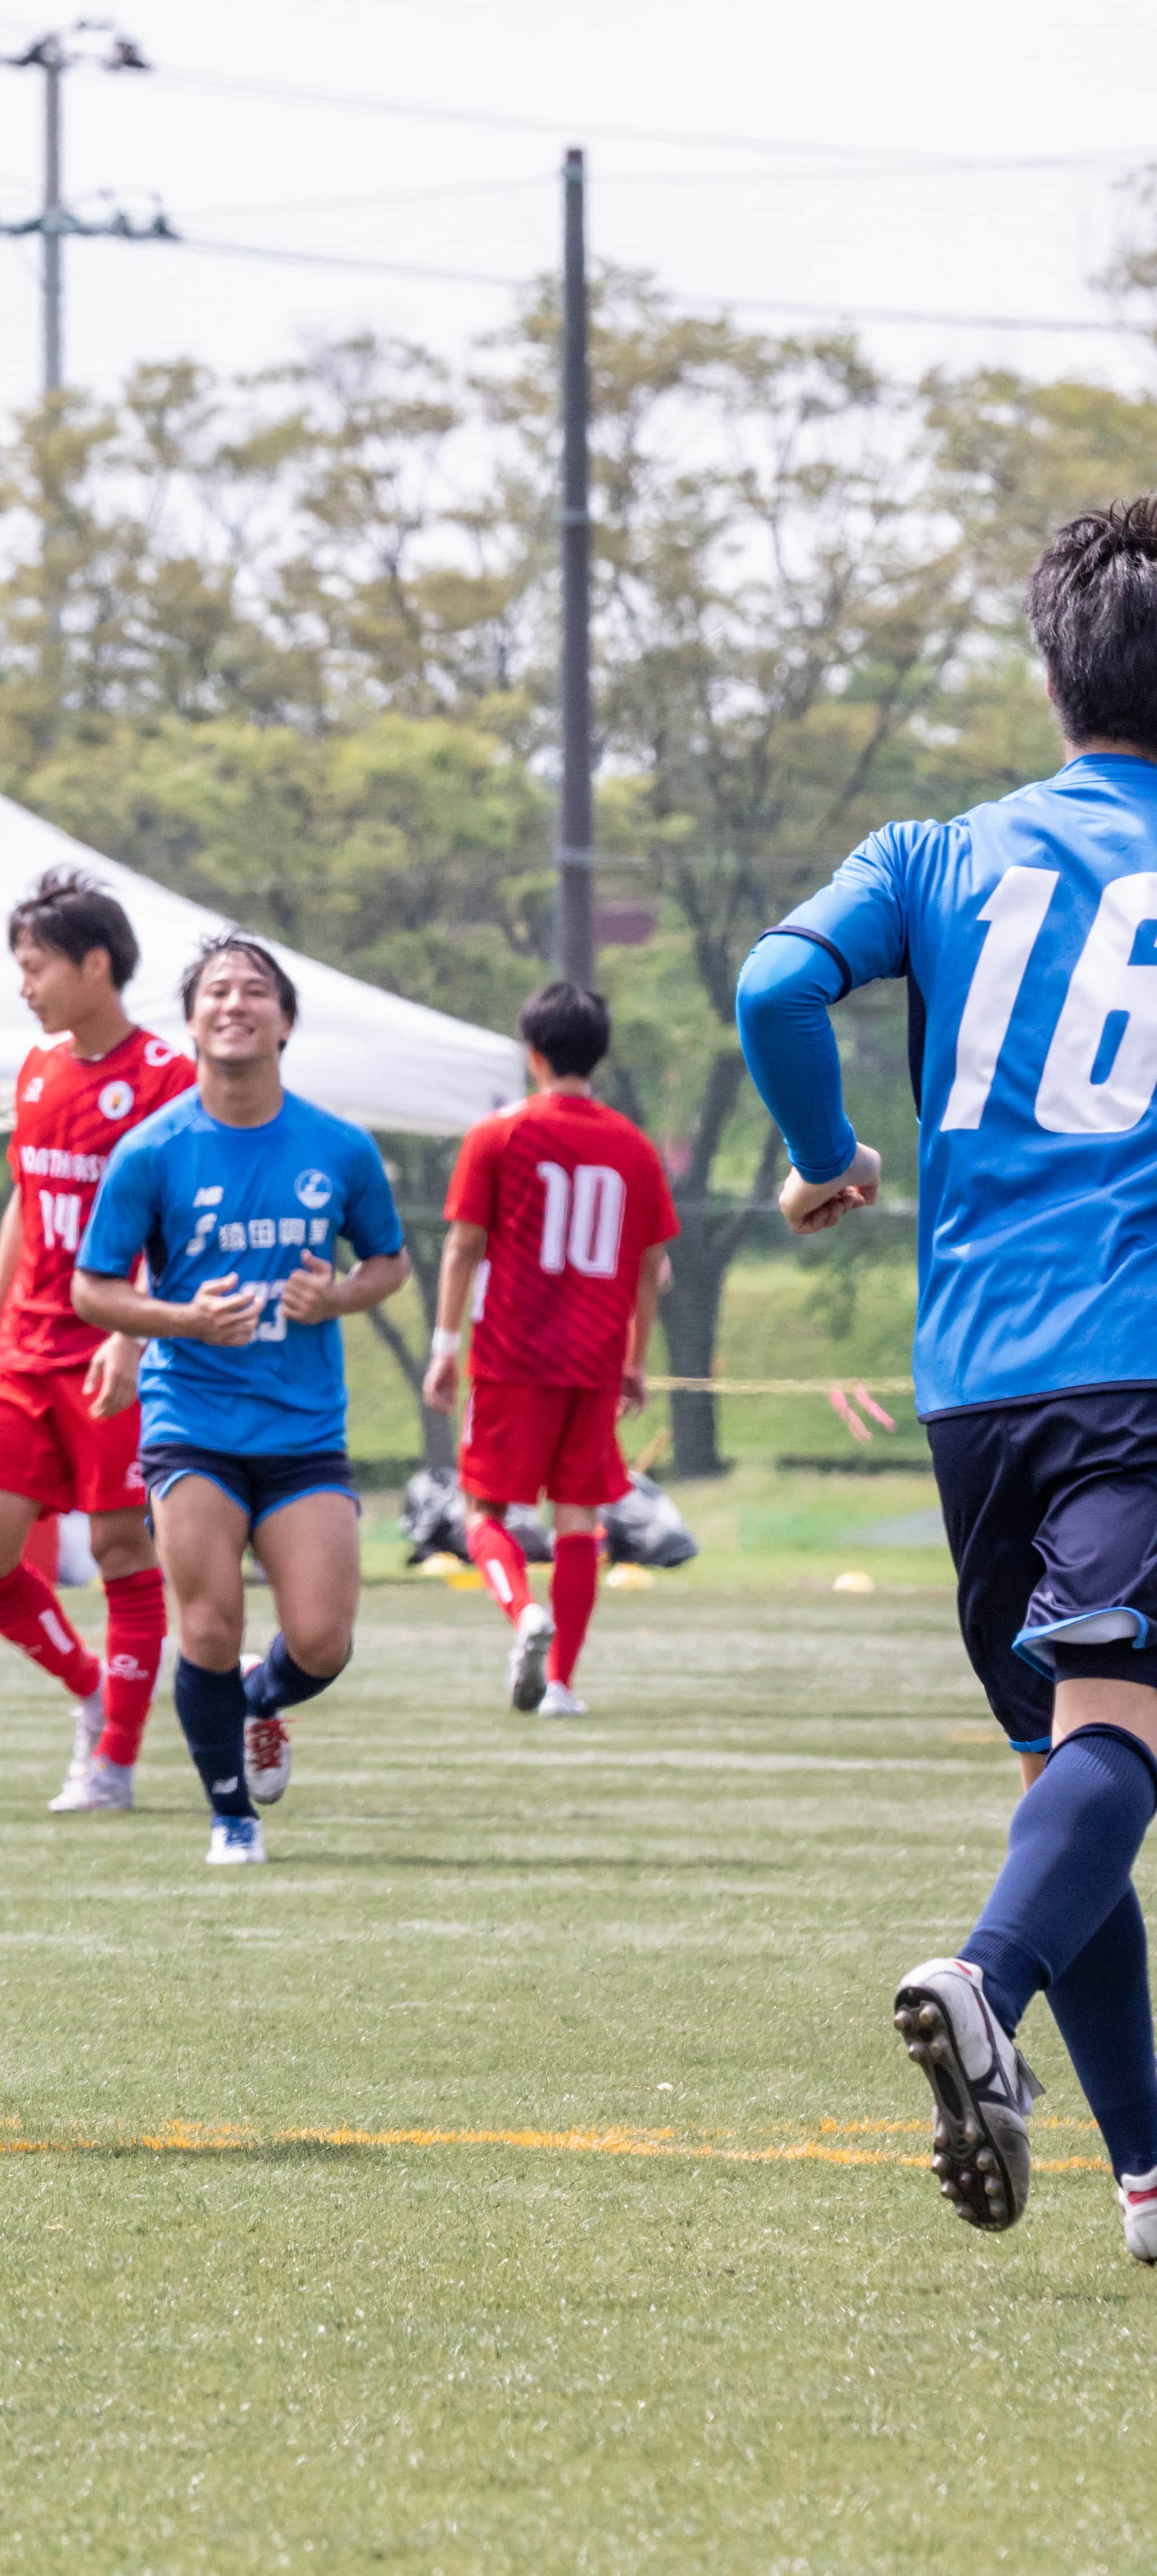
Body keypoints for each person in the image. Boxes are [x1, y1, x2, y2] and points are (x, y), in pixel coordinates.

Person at [736, 497, 1157, 2267]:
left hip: (975, 1378)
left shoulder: (933, 847)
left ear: (1047, 672)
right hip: (1141, 1356)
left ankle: (1143, 2175)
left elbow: (771, 979)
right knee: (1117, 1743)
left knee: (1077, 1757)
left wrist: (825, 1149)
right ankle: (980, 1981)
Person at [72, 936, 407, 1866]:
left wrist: (335, 1296)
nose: (235, 1003)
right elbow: (93, 1290)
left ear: (285, 1021)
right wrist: (181, 1318)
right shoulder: (152, 1150)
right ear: (190, 1023)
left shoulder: (339, 1147)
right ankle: (232, 1819)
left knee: (324, 1641)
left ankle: (260, 1702)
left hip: (303, 1428)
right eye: (216, 991)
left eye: (255, 990)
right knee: (208, 1622)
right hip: (193, 1422)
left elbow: (391, 1261)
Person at [0, 869, 196, 1814]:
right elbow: (26, 1194)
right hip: (24, 1347)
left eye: (37, 967)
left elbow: (178, 1225)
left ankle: (115, 1765)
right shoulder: (36, 1068)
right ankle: (92, 1689)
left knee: (121, 1547)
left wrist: (135, 1336)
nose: (26, 987)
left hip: (116, 1348)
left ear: (97, 966)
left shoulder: (168, 1082)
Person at [419, 981, 677, 1717]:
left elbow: (464, 1245)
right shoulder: (632, 1146)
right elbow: (649, 1268)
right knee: (578, 1519)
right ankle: (562, 1683)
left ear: (532, 1054)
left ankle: (524, 1614)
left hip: (509, 1355)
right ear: (598, 1055)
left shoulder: (496, 1135)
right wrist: (635, 1359)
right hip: (594, 1358)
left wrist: (444, 1347)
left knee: (483, 1512)